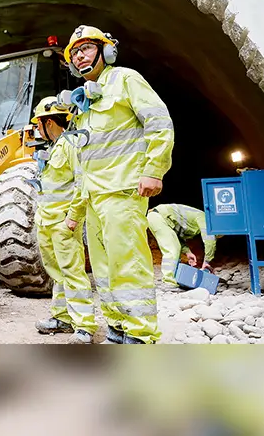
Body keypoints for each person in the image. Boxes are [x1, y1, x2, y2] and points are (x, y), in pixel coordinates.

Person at [65, 25, 175, 344]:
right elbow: (86, 158)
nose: (80, 55)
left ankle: (141, 333)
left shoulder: (126, 79)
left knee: (128, 262)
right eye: (75, 52)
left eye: (86, 48)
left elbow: (158, 122)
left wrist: (154, 169)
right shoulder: (84, 103)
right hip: (95, 197)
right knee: (103, 268)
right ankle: (118, 325)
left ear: (105, 51)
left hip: (123, 191)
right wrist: (79, 206)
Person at [30, 96, 98, 344]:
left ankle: (84, 326)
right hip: (46, 222)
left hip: (63, 223)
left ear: (49, 122)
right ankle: (62, 318)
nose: (37, 129)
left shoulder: (71, 145)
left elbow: (82, 184)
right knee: (57, 273)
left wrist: (73, 218)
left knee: (72, 272)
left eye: (38, 124)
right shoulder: (55, 147)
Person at [146, 204, 219, 285]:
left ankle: (173, 278)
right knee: (172, 249)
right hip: (158, 217)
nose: (215, 237)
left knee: (175, 247)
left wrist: (188, 252)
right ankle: (169, 281)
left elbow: (176, 237)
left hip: (158, 218)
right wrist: (207, 262)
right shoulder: (204, 218)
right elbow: (209, 240)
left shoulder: (195, 221)